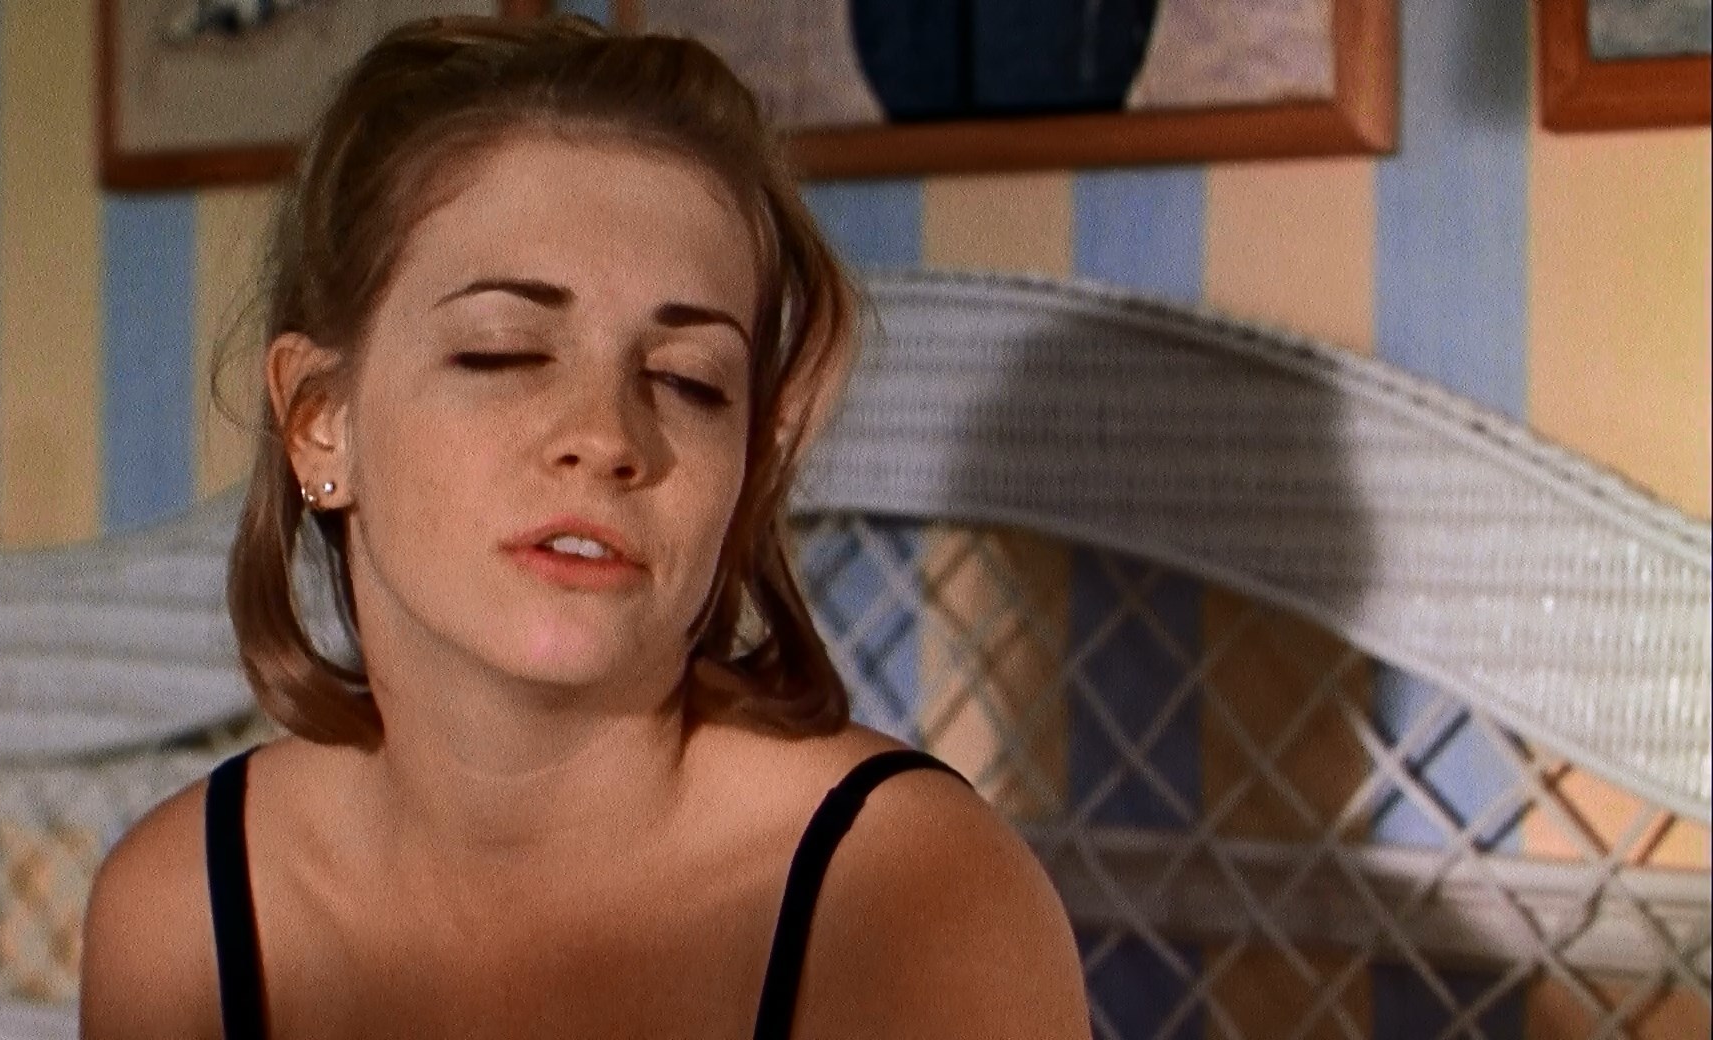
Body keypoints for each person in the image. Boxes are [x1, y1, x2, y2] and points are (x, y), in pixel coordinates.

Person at [80, 15, 1090, 1040]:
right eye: (505, 351)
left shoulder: (908, 899)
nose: (607, 437)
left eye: (689, 381)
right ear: (319, 422)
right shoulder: (185, 915)